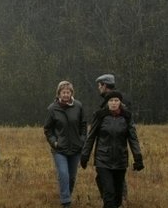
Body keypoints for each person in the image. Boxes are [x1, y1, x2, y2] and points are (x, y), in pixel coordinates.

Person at [80, 91, 144, 208]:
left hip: (120, 160)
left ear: (120, 102)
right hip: (103, 160)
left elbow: (133, 139)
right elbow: (91, 136)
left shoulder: (127, 116)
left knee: (117, 197)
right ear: (107, 102)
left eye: (116, 100)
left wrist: (138, 158)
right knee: (109, 194)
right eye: (111, 101)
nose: (113, 103)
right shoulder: (100, 115)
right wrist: (85, 155)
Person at [43, 80, 87, 208]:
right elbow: (47, 129)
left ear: (71, 93)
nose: (66, 95)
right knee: (64, 174)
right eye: (63, 92)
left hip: (75, 148)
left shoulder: (78, 106)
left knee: (72, 178)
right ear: (59, 93)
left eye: (68, 92)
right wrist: (54, 142)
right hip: (59, 149)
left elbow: (83, 125)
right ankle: (66, 202)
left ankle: (67, 194)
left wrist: (82, 140)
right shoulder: (52, 108)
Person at [95, 73, 131, 201]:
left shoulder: (115, 102)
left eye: (99, 86)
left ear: (104, 86)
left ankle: (118, 199)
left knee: (116, 176)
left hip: (115, 147)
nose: (99, 88)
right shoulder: (112, 100)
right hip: (107, 148)